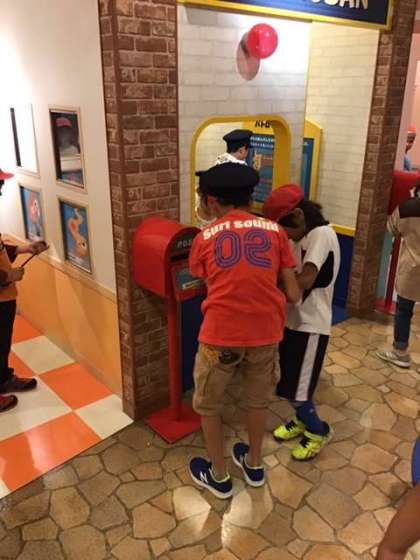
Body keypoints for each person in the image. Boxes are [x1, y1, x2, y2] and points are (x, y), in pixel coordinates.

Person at [188, 163, 300, 498]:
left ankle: (219, 475)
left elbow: (205, 279)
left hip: (220, 335)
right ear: (250, 197)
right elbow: (294, 294)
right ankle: (253, 464)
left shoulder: (204, 238)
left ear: (211, 201)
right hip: (266, 333)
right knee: (257, 401)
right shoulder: (275, 231)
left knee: (209, 405)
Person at [263, 185, 340, 460]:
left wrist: (271, 287)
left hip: (311, 326)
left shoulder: (321, 234)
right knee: (291, 383)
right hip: (293, 322)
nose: (284, 235)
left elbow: (305, 280)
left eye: (285, 229)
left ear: (298, 215)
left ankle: (318, 430)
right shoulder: (301, 237)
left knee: (298, 389)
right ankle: (301, 419)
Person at [0, 169, 48, 413]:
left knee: (2, 344)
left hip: (4, 296)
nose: (1, 191)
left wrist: (23, 249)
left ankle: (3, 379)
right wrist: (8, 276)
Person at [377, 187, 420, 369]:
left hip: (412, 267)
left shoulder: (406, 208)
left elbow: (391, 228)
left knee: (404, 310)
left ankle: (400, 352)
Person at [196, 129, 253, 228]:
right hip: (231, 210)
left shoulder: (220, 159)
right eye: (247, 150)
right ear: (241, 150)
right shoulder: (241, 167)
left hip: (216, 209)